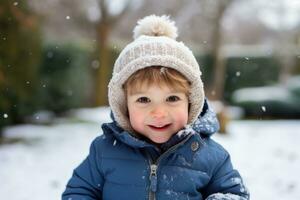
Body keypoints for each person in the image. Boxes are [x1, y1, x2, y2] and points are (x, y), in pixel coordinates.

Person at [62, 15, 249, 200]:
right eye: (144, 100)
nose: (159, 113)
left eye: (172, 98)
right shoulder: (104, 151)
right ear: (124, 105)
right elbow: (78, 192)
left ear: (191, 102)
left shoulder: (211, 156)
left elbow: (234, 194)